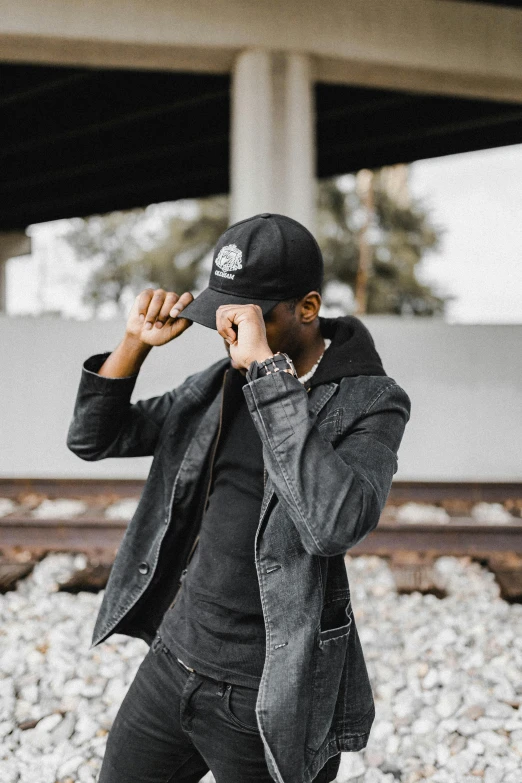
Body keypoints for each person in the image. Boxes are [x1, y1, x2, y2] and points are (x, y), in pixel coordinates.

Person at [67, 213, 411, 783]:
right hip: (173, 661)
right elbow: (93, 438)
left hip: (268, 691)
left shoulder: (371, 401)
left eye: (246, 319)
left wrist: (267, 376)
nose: (229, 335)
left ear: (306, 308)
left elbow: (333, 523)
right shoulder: (217, 383)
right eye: (222, 317)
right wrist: (134, 344)